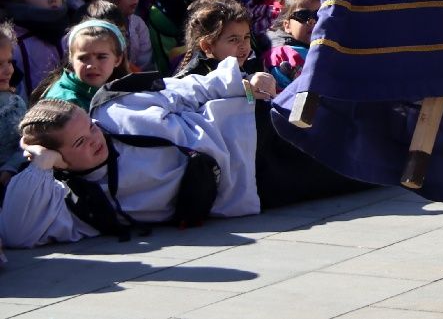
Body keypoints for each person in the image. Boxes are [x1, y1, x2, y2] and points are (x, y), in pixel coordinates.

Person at [0, 58, 362, 248]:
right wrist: (40, 163)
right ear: (58, 159)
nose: (95, 138)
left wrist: (243, 81)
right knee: (359, 170)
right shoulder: (77, 203)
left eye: (89, 128)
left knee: (349, 111)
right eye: (79, 143)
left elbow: (182, 90)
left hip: (246, 128)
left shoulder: (113, 110)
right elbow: (16, 232)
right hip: (255, 186)